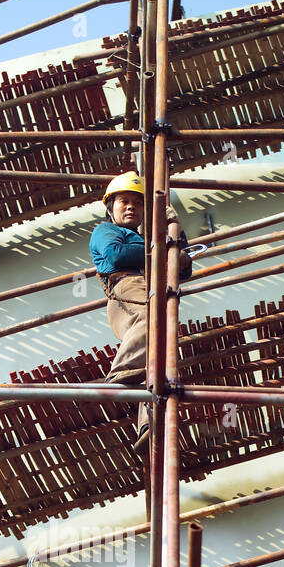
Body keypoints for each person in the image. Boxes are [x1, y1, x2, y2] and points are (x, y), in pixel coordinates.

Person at [89, 170, 192, 449]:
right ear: (111, 209)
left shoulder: (149, 236)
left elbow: (183, 269)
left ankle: (148, 423)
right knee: (152, 321)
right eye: (124, 201)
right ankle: (121, 372)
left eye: (138, 202)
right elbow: (117, 255)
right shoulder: (107, 231)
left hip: (151, 285)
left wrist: (174, 230)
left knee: (157, 359)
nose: (131, 206)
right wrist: (161, 246)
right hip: (127, 287)